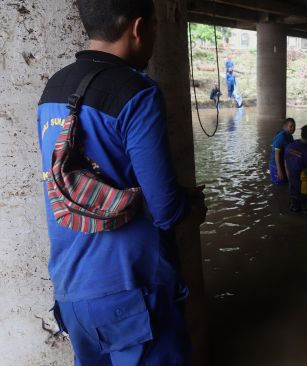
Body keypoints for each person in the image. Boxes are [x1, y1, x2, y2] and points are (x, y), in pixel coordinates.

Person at [36, 1, 206, 364]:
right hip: (132, 292)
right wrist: (191, 205)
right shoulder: (137, 92)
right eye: (157, 28)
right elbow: (165, 210)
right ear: (139, 28)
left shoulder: (53, 87)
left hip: (72, 288)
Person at [284, 124, 307, 214]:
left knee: (295, 210)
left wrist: (290, 181)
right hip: (306, 192)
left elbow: (286, 165)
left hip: (293, 188)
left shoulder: (289, 147)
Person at [269, 118, 296, 185]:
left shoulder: (290, 136)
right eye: (291, 126)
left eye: (294, 126)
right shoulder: (282, 136)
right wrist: (279, 170)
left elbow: (290, 149)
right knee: (279, 184)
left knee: (285, 183)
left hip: (284, 164)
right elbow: (276, 153)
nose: (293, 128)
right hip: (276, 165)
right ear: (285, 126)